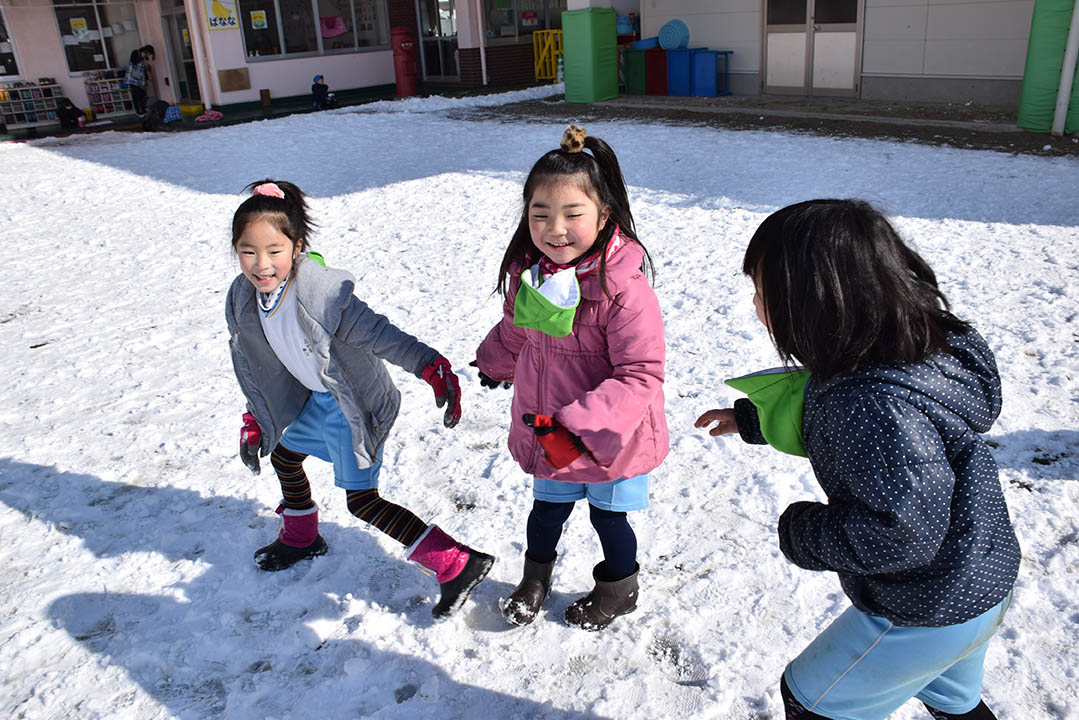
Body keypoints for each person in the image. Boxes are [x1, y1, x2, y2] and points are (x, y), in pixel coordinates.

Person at [696, 199, 1020, 719]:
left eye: (763, 294)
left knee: (813, 698)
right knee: (949, 697)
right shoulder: (911, 348)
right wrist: (753, 421)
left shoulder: (867, 401)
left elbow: (901, 530)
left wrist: (803, 532)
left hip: (925, 605)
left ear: (813, 302)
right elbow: (835, 418)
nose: (756, 306)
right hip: (979, 579)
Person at [225, 179, 494, 619]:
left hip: (352, 406)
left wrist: (430, 366)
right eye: (248, 251)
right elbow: (258, 368)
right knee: (286, 458)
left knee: (362, 500)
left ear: (296, 247)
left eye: (274, 250)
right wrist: (257, 417)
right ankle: (301, 537)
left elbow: (379, 334)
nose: (261, 264)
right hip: (316, 400)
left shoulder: (321, 297)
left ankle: (457, 564)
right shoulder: (244, 300)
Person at [475, 125, 668, 631]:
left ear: (603, 216)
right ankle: (535, 579)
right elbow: (518, 330)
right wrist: (494, 362)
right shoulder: (533, 278)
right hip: (547, 428)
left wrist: (579, 424)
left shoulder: (623, 289)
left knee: (608, 519)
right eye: (540, 214)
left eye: (572, 214)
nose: (554, 228)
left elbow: (641, 374)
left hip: (607, 439)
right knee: (545, 512)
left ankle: (618, 589)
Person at [124, 49, 147, 116]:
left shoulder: (131, 62)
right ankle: (142, 111)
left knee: (136, 98)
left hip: (132, 82)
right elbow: (141, 71)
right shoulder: (139, 62)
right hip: (137, 82)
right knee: (140, 97)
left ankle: (139, 111)